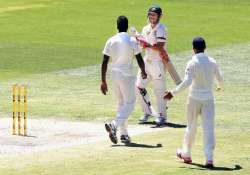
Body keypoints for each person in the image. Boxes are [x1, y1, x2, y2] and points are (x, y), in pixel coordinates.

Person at [164, 37, 223, 168]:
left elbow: (187, 82)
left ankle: (186, 154)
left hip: (194, 99)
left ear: (193, 49)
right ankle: (209, 159)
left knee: (191, 127)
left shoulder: (192, 62)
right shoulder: (212, 62)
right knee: (209, 128)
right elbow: (220, 78)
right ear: (205, 48)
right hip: (208, 99)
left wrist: (172, 93)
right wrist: (219, 86)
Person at [101, 16, 147, 144]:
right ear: (127, 27)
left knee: (121, 103)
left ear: (117, 26)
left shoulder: (110, 40)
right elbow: (139, 59)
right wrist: (143, 71)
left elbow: (104, 61)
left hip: (114, 75)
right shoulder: (132, 40)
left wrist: (103, 81)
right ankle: (114, 125)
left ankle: (123, 134)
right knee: (130, 103)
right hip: (126, 76)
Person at [136, 5, 170, 126]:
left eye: (154, 15)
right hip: (146, 62)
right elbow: (141, 45)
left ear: (159, 16)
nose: (151, 17)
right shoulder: (145, 28)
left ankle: (161, 116)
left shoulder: (161, 28)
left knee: (159, 90)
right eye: (150, 14)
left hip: (158, 63)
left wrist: (147, 45)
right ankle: (147, 111)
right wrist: (138, 40)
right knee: (138, 86)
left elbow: (160, 46)